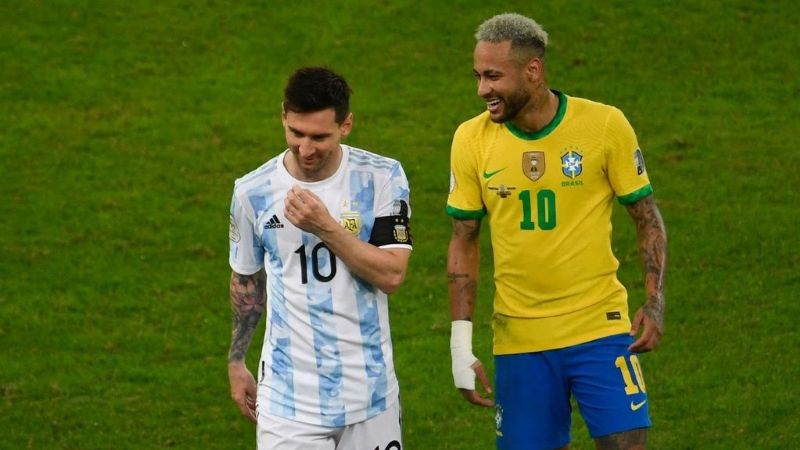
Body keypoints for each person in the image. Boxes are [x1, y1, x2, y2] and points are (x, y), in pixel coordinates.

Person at [446, 13, 667, 450]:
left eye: (493, 76)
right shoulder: (471, 139)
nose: (482, 90)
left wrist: (655, 302)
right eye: (478, 76)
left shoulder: (604, 126)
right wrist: (459, 344)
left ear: (533, 70)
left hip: (600, 329)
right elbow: (463, 239)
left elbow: (647, 218)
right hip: (520, 340)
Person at [227, 66, 412, 450]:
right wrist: (236, 359)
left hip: (370, 396)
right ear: (282, 115)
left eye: (319, 137)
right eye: (296, 133)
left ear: (346, 125)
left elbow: (392, 274)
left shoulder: (382, 177)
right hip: (288, 401)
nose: (305, 149)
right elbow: (247, 283)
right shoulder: (253, 192)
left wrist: (325, 227)